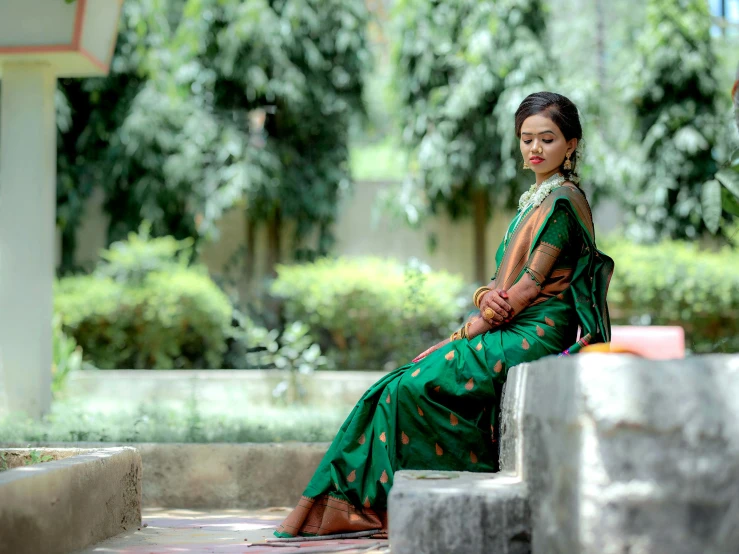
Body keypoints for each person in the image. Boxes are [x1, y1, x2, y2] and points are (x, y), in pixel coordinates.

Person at [274, 91, 614, 539]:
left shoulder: (563, 202)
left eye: (547, 139)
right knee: (396, 385)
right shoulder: (535, 198)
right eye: (526, 139)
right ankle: (365, 509)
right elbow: (500, 282)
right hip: (512, 322)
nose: (534, 149)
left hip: (537, 332)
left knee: (411, 386)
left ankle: (379, 510)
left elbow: (529, 287)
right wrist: (481, 297)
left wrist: (464, 333)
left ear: (571, 144)